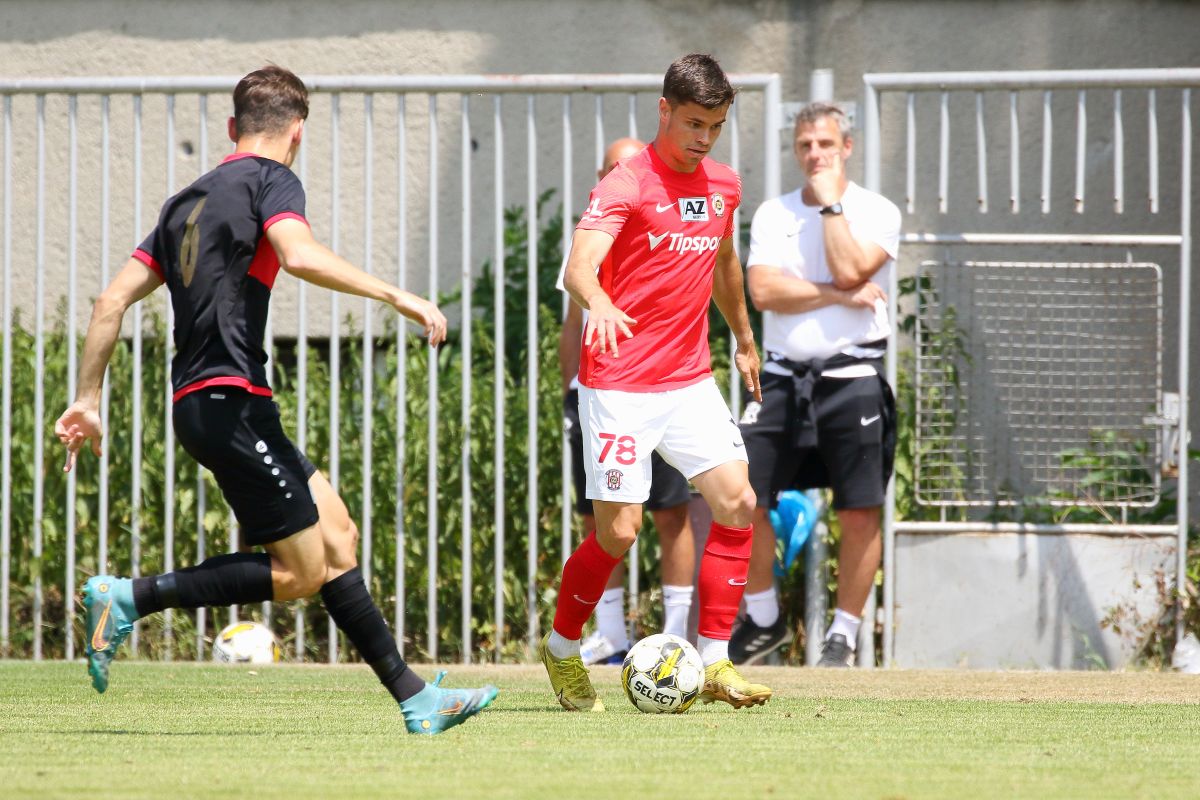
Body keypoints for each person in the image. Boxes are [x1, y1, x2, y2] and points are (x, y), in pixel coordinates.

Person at [55, 66, 497, 734]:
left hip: (225, 403)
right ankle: (128, 597)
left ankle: (417, 699)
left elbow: (109, 302)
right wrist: (397, 295)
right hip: (227, 401)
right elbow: (298, 254)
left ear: (233, 127)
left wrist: (88, 397)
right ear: (298, 132)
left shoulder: (181, 205)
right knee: (300, 573)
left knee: (338, 536)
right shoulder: (272, 179)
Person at [541, 53, 769, 712]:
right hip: (617, 383)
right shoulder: (627, 183)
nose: (704, 139)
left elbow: (724, 262)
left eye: (716, 127)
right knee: (619, 532)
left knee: (738, 502)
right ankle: (561, 647)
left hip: (689, 379)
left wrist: (744, 338)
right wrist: (599, 302)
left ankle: (717, 660)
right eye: (694, 123)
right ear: (664, 110)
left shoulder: (723, 184)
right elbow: (579, 266)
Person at [732, 102, 900, 668]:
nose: (814, 154)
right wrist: (836, 295)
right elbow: (763, 293)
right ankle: (763, 620)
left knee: (859, 509)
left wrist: (831, 206)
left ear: (846, 147)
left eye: (825, 144)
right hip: (781, 378)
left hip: (853, 378)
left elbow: (853, 267)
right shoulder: (772, 213)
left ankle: (842, 637)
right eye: (804, 144)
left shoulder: (877, 211)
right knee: (739, 494)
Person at [559, 136, 696, 666]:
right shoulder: (588, 235)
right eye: (614, 168)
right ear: (601, 178)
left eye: (633, 165)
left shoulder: (667, 229)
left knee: (671, 514)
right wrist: (571, 392)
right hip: (600, 396)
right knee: (602, 519)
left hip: (659, 390)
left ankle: (677, 637)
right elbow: (574, 323)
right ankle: (611, 633)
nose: (625, 174)